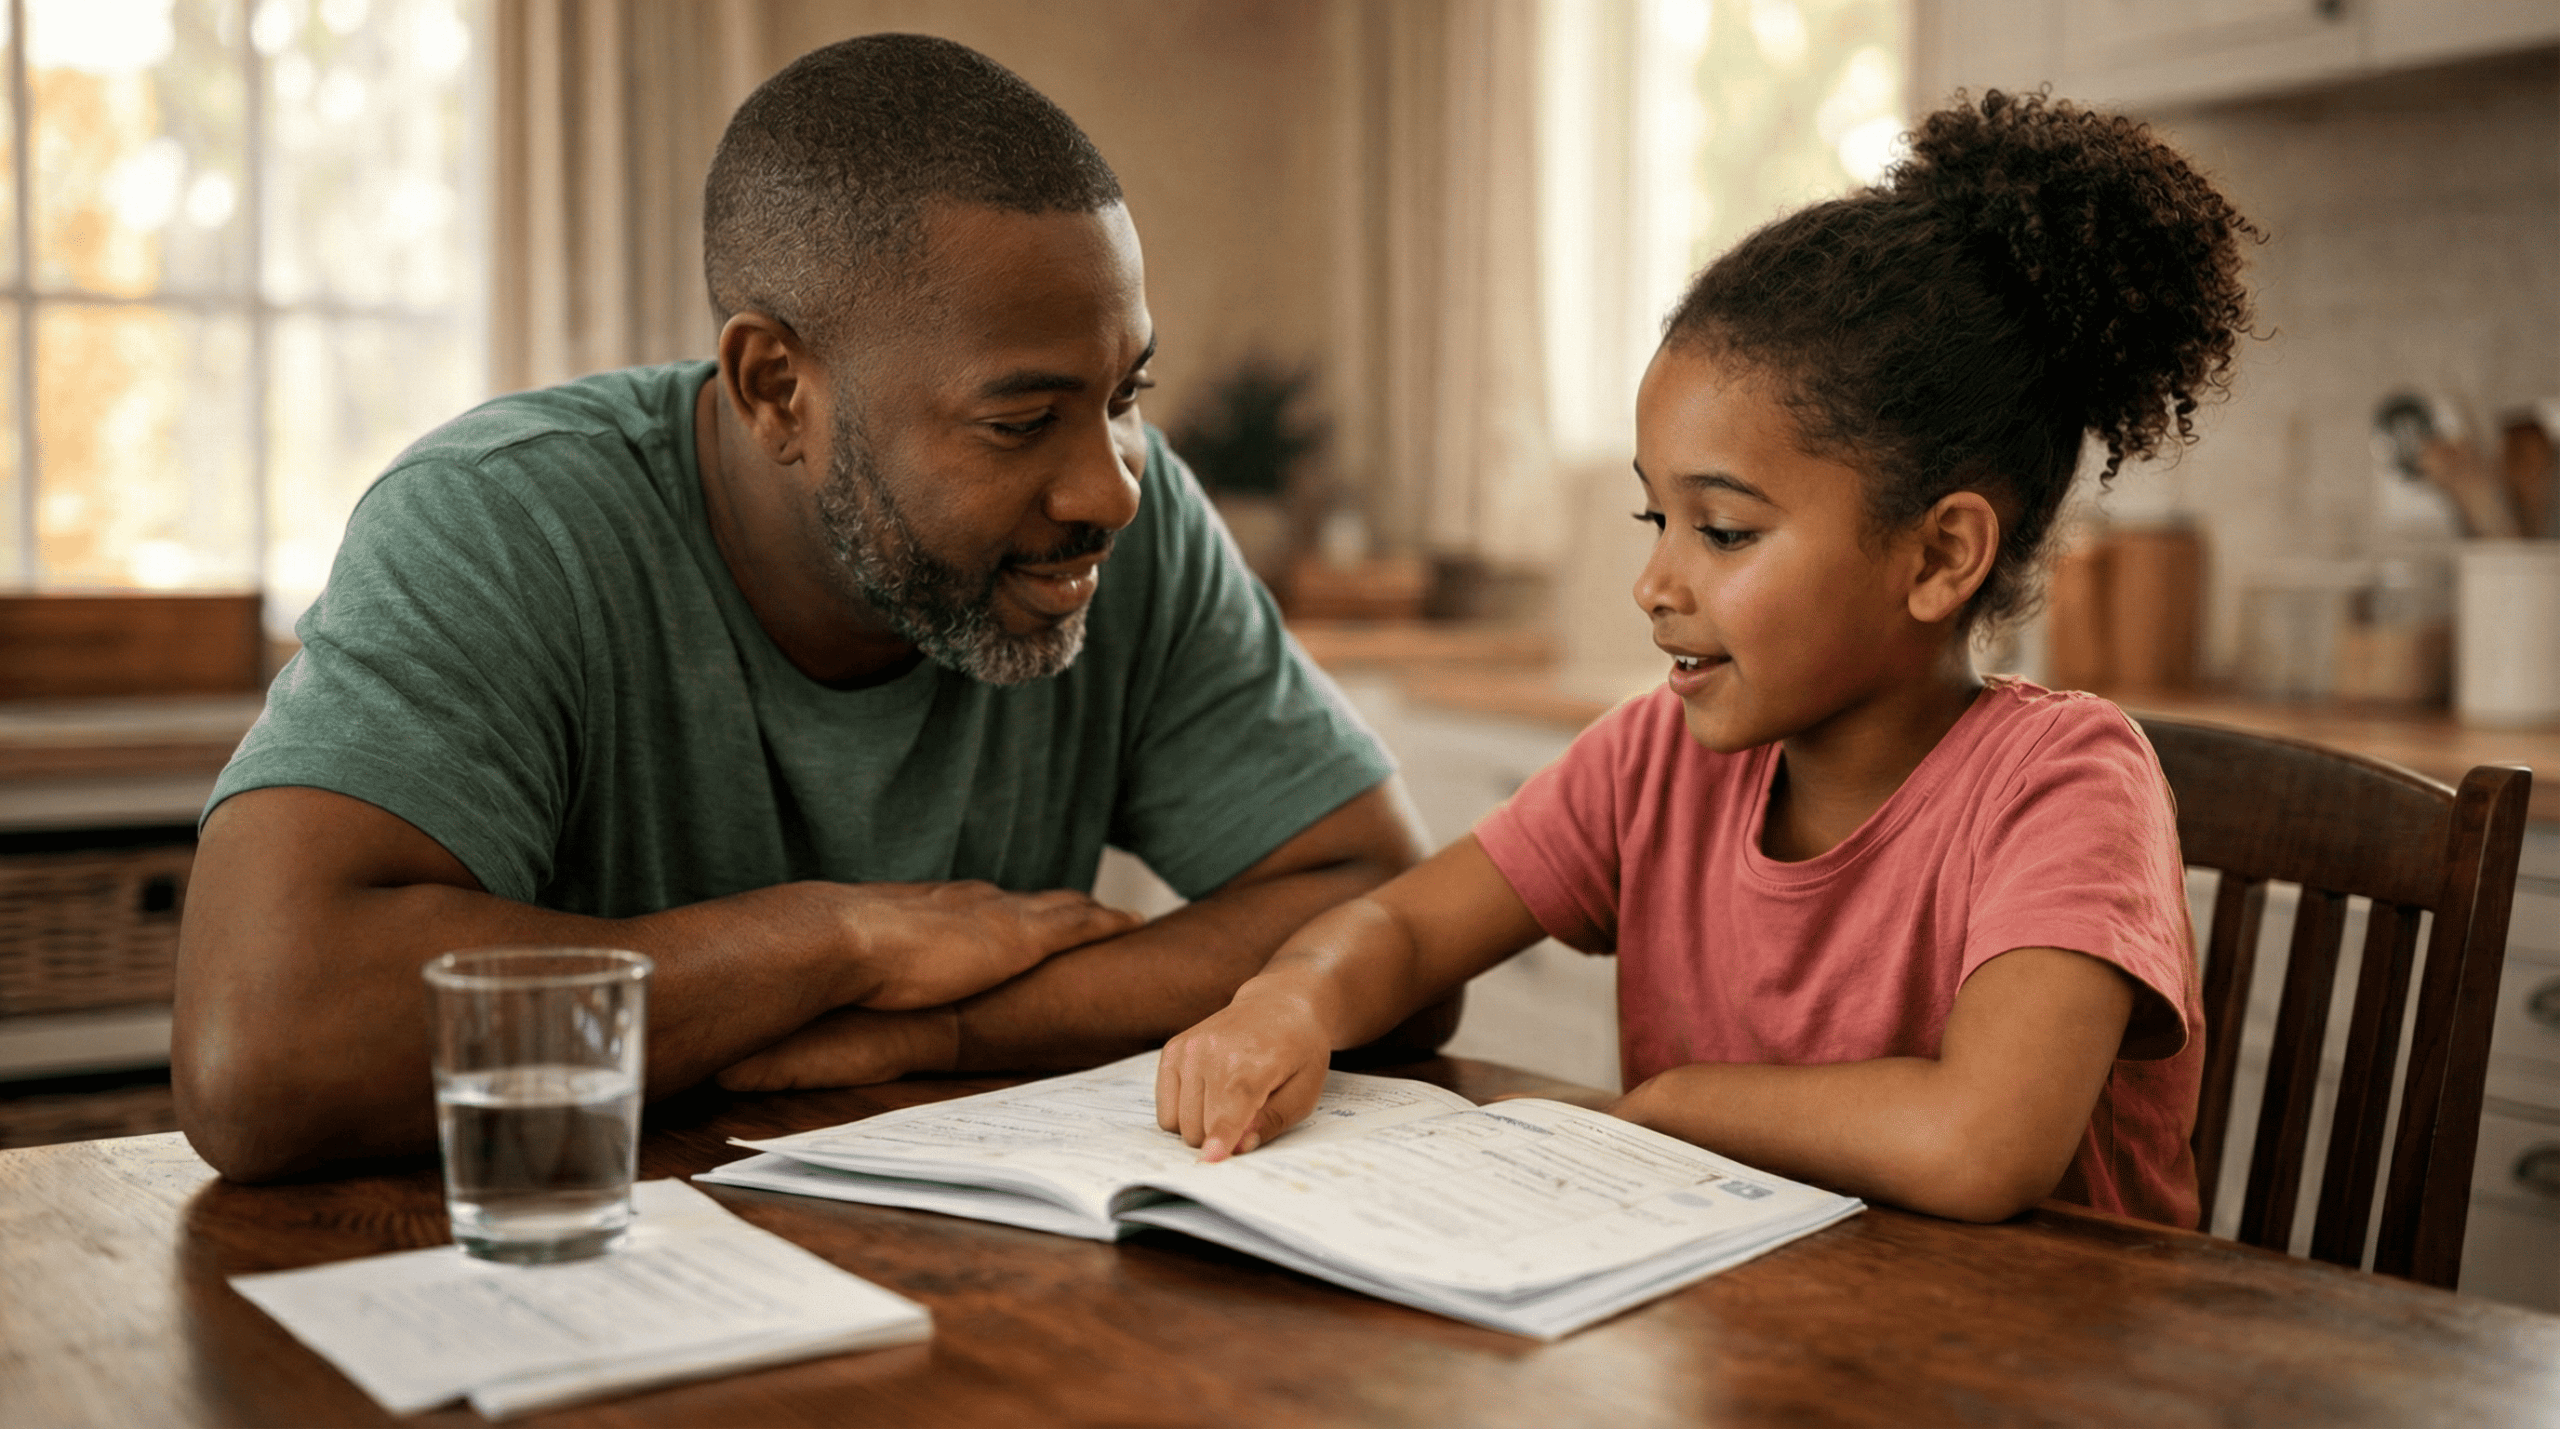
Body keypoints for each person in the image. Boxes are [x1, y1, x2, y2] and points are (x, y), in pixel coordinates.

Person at [174, 34, 1436, 1183]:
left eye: (1125, 396)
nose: (1109, 488)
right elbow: (263, 1050)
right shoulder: (505, 522)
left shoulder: (1121, 538)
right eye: (1020, 420)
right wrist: (837, 939)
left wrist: (957, 1026)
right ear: (776, 386)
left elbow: (1391, 920)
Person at [1154, 91, 2258, 1229]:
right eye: (1656, 520)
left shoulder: (2068, 786)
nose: (1654, 584)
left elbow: (1979, 1143)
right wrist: (1291, 996)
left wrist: (1669, 1105)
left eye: (1724, 532)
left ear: (1938, 556)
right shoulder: (1656, 759)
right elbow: (1405, 925)